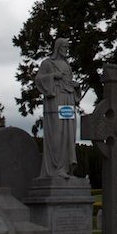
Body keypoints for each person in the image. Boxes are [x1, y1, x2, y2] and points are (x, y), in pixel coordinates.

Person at [36, 38, 78, 178]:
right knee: (57, 133)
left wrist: (75, 86)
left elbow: (69, 82)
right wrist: (53, 76)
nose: (66, 49)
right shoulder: (48, 63)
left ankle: (66, 168)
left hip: (68, 100)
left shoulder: (67, 65)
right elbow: (39, 79)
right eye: (64, 47)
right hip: (56, 98)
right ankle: (56, 168)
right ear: (58, 47)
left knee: (69, 133)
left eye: (68, 47)